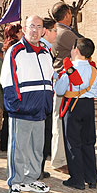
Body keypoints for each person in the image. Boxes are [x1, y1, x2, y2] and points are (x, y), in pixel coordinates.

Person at [0, 15, 54, 193]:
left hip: (40, 110)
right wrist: (15, 105)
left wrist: (48, 104)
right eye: (32, 26)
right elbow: (7, 80)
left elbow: (50, 80)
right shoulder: (15, 51)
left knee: (36, 149)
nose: (35, 30)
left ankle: (31, 179)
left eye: (39, 27)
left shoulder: (46, 53)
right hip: (21, 110)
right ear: (25, 28)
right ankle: (15, 182)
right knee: (18, 148)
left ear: (43, 31)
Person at [54, 37, 97, 190]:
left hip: (72, 106)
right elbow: (96, 91)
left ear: (76, 50)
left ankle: (77, 179)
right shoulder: (94, 70)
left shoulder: (70, 69)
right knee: (88, 142)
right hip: (88, 106)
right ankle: (91, 177)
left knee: (73, 143)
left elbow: (60, 90)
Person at [49, 2, 80, 170]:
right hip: (65, 82)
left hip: (59, 81)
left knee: (60, 121)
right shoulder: (66, 34)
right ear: (67, 14)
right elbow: (84, 48)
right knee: (61, 122)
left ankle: (62, 157)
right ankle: (60, 160)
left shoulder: (55, 32)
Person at [0, 23, 24, 151]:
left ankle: (5, 143)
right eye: (20, 31)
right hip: (14, 84)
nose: (23, 33)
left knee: (8, 116)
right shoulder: (15, 47)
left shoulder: (7, 46)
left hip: (8, 85)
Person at [39, 17, 58, 178]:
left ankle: (39, 168)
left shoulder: (46, 48)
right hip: (42, 98)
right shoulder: (42, 49)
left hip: (45, 96)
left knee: (45, 134)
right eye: (54, 30)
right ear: (46, 32)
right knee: (42, 134)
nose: (56, 34)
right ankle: (37, 169)